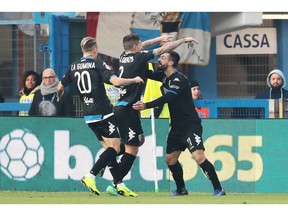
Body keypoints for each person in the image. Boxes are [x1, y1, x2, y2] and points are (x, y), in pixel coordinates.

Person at [106, 33, 198, 196]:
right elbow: (163, 49)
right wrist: (183, 40)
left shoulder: (124, 55)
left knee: (137, 141)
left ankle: (114, 174)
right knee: (131, 149)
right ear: (135, 47)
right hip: (128, 108)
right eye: (139, 44)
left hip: (126, 108)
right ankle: (115, 181)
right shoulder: (138, 58)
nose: (142, 44)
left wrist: (158, 38)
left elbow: (145, 46)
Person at [56, 37, 144, 196]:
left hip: (89, 115)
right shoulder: (97, 63)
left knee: (109, 150)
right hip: (103, 112)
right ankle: (91, 175)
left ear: (83, 50)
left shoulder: (73, 66)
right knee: (115, 148)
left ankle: (119, 184)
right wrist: (134, 80)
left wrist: (58, 94)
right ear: (95, 50)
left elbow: (60, 86)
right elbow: (116, 82)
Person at [133, 51, 226, 196]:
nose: (159, 59)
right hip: (176, 127)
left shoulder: (179, 79)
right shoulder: (164, 77)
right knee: (170, 159)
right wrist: (141, 56)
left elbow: (167, 97)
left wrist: (146, 105)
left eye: (162, 57)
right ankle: (181, 189)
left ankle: (218, 188)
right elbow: (147, 73)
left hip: (190, 125)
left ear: (171, 63)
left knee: (199, 156)